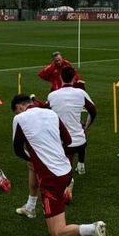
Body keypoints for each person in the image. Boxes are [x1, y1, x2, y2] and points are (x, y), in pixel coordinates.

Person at [11, 95, 107, 236]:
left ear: (19, 107)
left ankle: (92, 228)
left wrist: (33, 157)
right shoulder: (51, 113)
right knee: (33, 165)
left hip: (52, 178)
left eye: (16, 111)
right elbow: (68, 140)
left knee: (57, 233)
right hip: (66, 170)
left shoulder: (19, 119)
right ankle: (31, 206)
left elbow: (18, 150)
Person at [45, 66, 97, 202]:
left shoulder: (52, 95)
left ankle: (68, 181)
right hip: (80, 142)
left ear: (60, 77)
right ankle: (81, 165)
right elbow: (93, 111)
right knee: (80, 132)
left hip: (63, 143)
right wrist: (86, 126)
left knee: (63, 159)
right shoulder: (81, 93)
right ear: (74, 78)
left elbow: (46, 113)